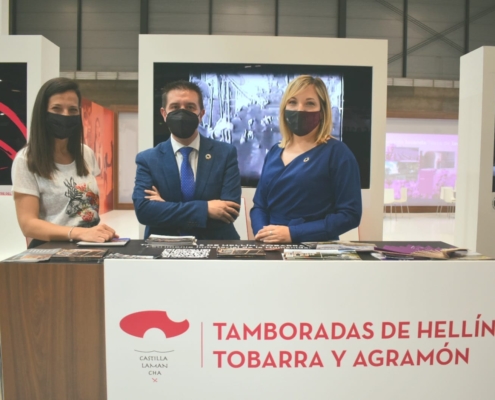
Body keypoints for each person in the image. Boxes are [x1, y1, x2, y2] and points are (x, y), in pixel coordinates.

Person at [251, 75, 362, 243]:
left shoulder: (338, 154)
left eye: (310, 103)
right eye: (293, 102)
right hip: (271, 248)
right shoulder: (274, 152)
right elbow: (259, 206)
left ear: (322, 111)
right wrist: (264, 234)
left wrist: (294, 233)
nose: (299, 109)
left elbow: (350, 215)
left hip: (315, 251)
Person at [11, 77, 118, 247]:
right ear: (42, 113)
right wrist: (79, 233)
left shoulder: (86, 154)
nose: (65, 115)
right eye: (57, 108)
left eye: (73, 110)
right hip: (51, 251)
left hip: (88, 247)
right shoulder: (26, 160)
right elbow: (28, 224)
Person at [133, 80, 241, 239]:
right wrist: (205, 209)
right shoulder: (148, 159)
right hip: (163, 246)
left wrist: (165, 208)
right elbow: (144, 212)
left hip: (215, 248)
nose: (182, 113)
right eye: (175, 107)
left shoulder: (225, 154)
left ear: (201, 114)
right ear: (164, 114)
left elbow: (229, 211)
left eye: (190, 107)